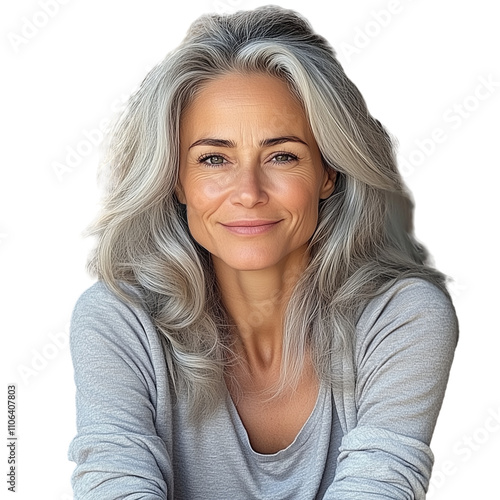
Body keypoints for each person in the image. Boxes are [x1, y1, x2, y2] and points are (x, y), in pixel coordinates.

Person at [67, 5, 458, 499]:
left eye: (282, 155)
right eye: (214, 158)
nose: (248, 191)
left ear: (328, 171)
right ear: (176, 181)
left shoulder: (401, 317)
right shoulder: (118, 321)